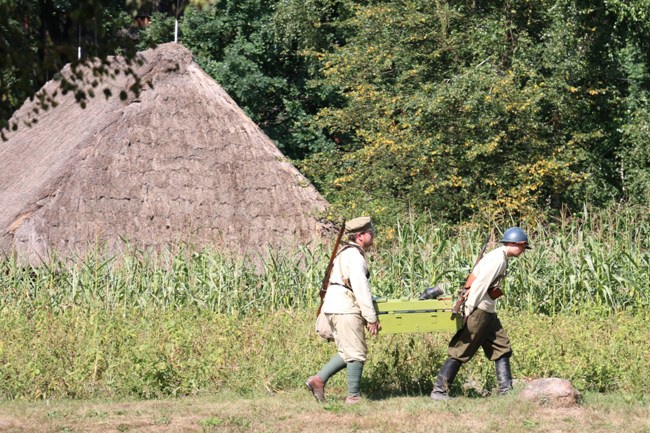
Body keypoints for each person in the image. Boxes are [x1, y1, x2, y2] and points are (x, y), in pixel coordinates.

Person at [430, 227, 531, 401]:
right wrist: (469, 310)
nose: (523, 251)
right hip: (480, 309)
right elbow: (479, 286)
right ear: (514, 244)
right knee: (461, 349)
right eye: (522, 246)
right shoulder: (497, 260)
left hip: (488, 310)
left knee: (502, 347)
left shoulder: (499, 256)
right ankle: (440, 391)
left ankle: (506, 391)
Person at [305, 216, 381, 404]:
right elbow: (361, 288)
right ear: (360, 236)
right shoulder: (354, 256)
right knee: (356, 353)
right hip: (345, 307)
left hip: (334, 305)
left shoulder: (343, 253)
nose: (373, 236)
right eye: (370, 233)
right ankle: (353, 397)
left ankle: (318, 380)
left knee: (347, 351)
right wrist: (371, 317)